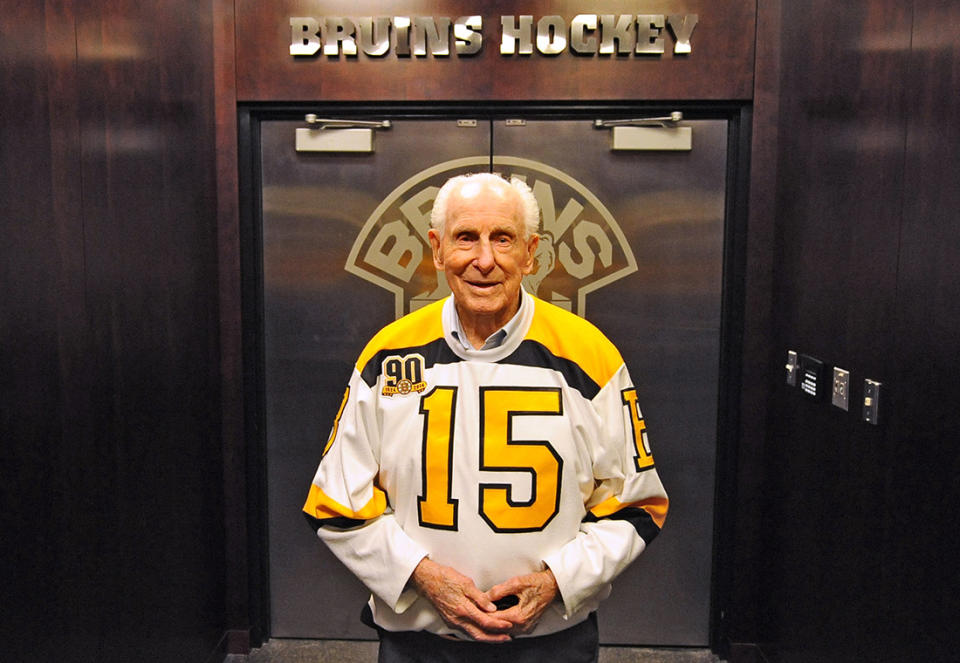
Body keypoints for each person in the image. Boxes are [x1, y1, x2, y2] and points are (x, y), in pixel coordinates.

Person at [303, 173, 668, 662]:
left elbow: (637, 507)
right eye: (465, 238)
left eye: (503, 238)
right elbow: (336, 503)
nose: (484, 260)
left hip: (550, 643)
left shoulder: (590, 357)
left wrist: (556, 582)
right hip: (420, 644)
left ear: (531, 252)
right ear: (436, 248)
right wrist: (423, 577)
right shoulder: (387, 356)